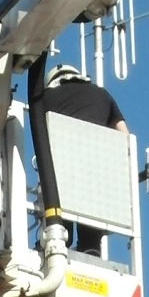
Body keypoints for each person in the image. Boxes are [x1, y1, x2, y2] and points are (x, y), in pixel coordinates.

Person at [44, 62, 129, 254]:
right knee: (92, 200)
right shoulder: (102, 94)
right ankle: (90, 247)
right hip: (98, 172)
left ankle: (60, 243)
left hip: (64, 172)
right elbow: (124, 135)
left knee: (60, 219)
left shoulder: (46, 97)